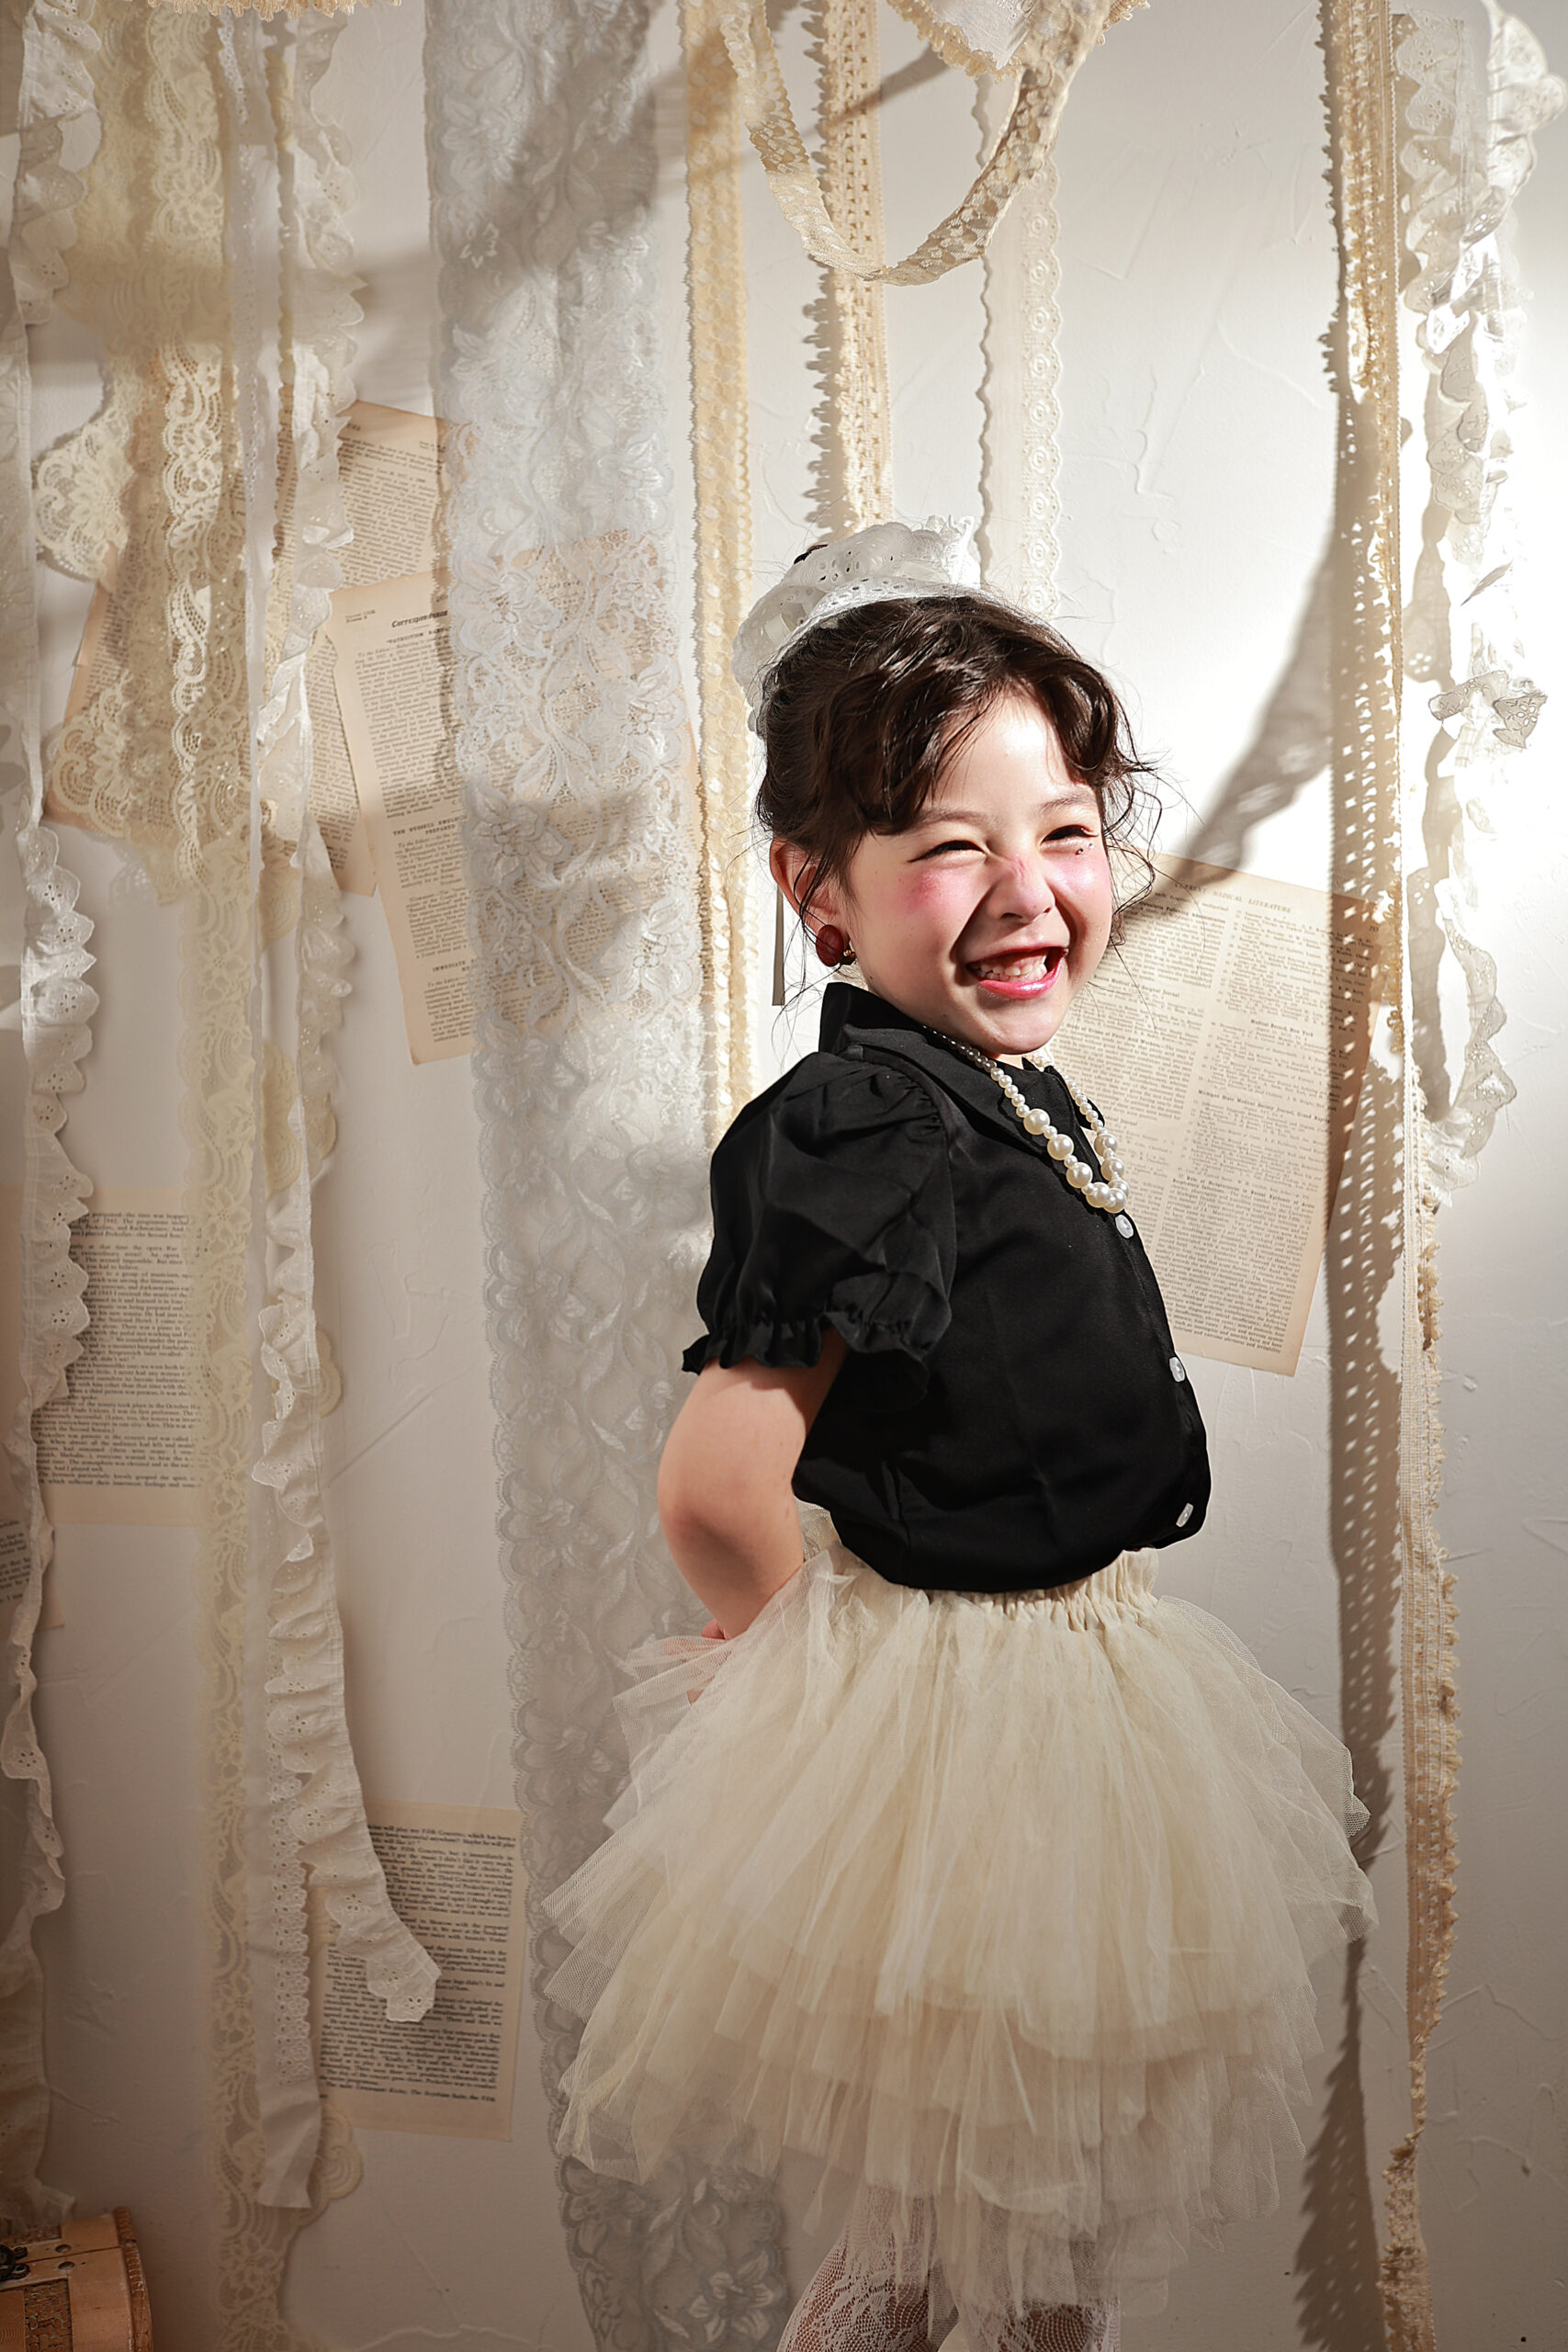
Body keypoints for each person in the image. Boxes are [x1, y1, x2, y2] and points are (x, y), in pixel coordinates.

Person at [545, 522, 1375, 2352]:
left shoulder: (993, 1089)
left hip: (1077, 1694)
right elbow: (718, 1485)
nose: (1027, 890)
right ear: (817, 892)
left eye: (1063, 832)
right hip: (966, 1728)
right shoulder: (866, 1123)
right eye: (947, 848)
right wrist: (800, 1684)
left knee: (1040, 2224)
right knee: (928, 2243)